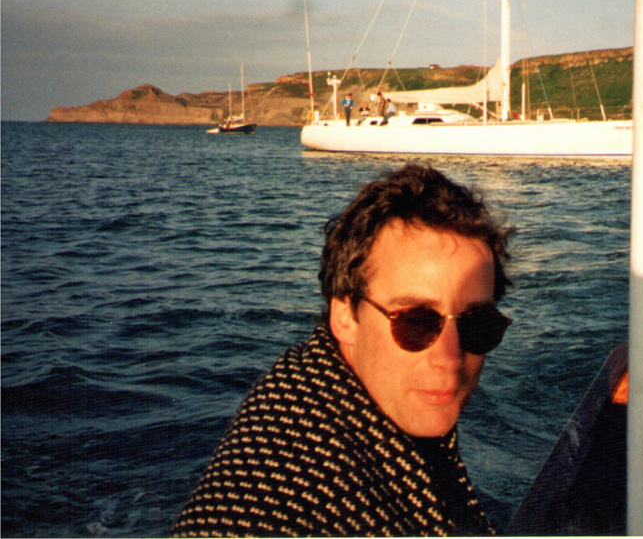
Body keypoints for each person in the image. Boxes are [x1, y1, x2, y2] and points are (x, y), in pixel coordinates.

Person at [173, 164, 514, 537]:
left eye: (476, 323)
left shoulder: (317, 379)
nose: (449, 359)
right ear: (345, 317)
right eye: (416, 322)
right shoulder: (296, 503)